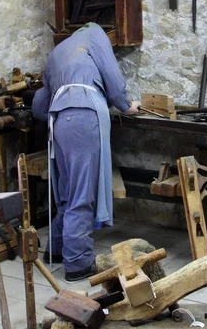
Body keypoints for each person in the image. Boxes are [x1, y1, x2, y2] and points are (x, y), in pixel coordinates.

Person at [32, 23, 140, 282]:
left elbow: (38, 107)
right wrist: (126, 105)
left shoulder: (57, 51)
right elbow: (113, 80)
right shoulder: (95, 35)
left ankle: (56, 250)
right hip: (84, 116)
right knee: (82, 193)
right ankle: (78, 263)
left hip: (57, 122)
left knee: (68, 192)